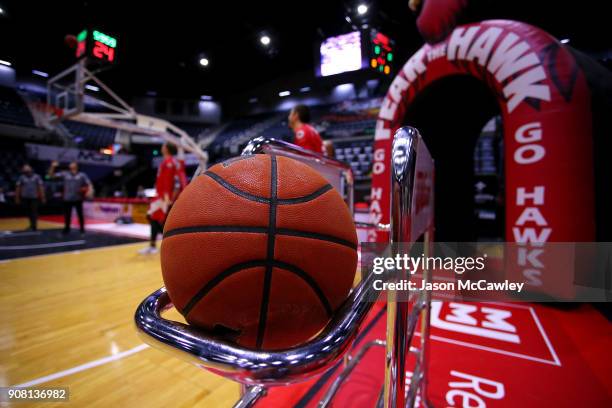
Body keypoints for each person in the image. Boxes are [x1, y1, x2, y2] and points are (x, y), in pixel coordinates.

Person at [139, 143, 186, 254]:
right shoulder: (170, 161)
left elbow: (174, 182)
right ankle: (160, 244)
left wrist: (168, 197)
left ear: (166, 149)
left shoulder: (170, 162)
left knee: (153, 217)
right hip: (161, 196)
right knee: (155, 218)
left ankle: (168, 243)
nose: (162, 147)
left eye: (164, 145)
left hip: (164, 197)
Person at [48, 161, 93, 235]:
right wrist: (52, 167)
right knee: (67, 215)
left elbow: (89, 183)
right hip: (67, 198)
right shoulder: (65, 174)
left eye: (72, 163)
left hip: (78, 198)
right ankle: (66, 229)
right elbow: (51, 175)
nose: (70, 165)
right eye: (70, 164)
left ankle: (82, 229)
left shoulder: (82, 175)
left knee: (80, 214)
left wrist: (90, 190)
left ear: (76, 166)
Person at [15, 164, 46, 231]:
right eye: (24, 168)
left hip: (34, 197)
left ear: (31, 169)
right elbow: (18, 188)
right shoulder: (21, 177)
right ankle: (31, 225)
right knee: (28, 212)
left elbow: (40, 187)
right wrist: (17, 197)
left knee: (34, 212)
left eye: (27, 168)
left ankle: (34, 226)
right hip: (25, 197)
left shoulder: (37, 177)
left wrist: (42, 196)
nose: (25, 169)